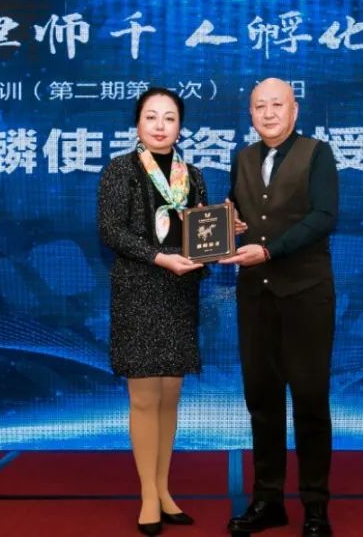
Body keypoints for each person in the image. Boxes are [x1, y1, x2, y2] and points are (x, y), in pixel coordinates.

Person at [220, 78, 338, 537]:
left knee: (310, 402)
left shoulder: (317, 153)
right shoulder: (243, 158)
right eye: (259, 106)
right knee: (262, 403)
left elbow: (324, 217)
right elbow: (241, 215)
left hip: (306, 296)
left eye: (277, 105)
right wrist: (232, 224)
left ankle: (315, 507)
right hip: (256, 298)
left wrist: (270, 250)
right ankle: (267, 500)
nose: (268, 114)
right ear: (250, 114)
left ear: (295, 110)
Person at [97, 87, 207, 536]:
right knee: (143, 398)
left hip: (179, 294)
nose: (160, 126)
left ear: (181, 126)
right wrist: (159, 257)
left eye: (170, 118)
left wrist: (221, 235)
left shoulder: (192, 175)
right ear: (137, 123)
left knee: (169, 396)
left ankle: (164, 490)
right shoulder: (120, 170)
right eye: (151, 117)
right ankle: (147, 495)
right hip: (138, 291)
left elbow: (201, 234)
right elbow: (111, 231)